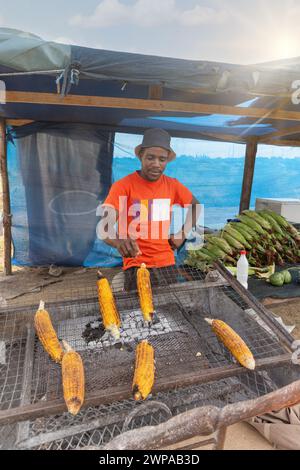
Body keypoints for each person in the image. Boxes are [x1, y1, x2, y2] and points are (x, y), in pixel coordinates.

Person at [101, 128, 200, 290]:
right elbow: (104, 228)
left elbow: (196, 206)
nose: (156, 164)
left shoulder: (172, 185)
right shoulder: (123, 186)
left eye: (162, 159)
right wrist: (119, 241)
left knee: (170, 307)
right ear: (141, 156)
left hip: (166, 261)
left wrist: (182, 234)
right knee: (139, 311)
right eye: (150, 158)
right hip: (136, 264)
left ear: (167, 160)